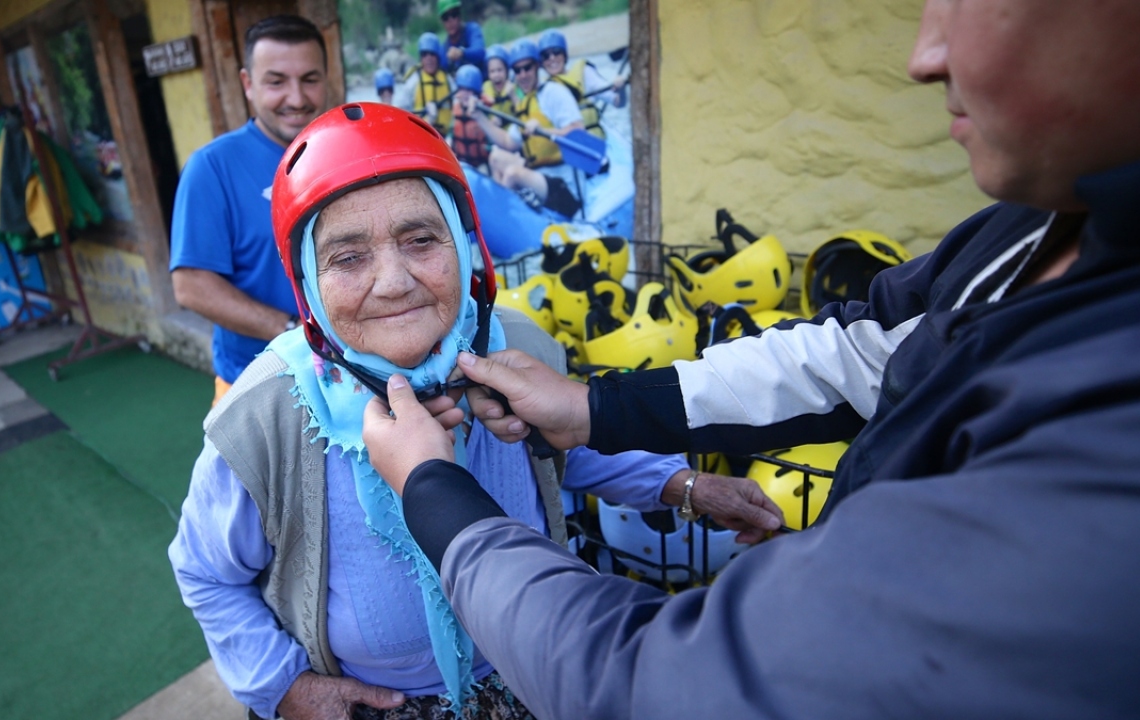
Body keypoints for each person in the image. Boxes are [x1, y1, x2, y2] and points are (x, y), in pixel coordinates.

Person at [361, 1, 1140, 718]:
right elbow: (860, 349)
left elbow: (653, 688)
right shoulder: (1045, 225)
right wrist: (598, 405)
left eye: (421, 238)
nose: (924, 54)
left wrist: (439, 498)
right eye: (349, 256)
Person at [169, 103, 781, 720]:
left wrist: (687, 485)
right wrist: (287, 689)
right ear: (306, 282)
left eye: (421, 240)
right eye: (348, 257)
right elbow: (204, 571)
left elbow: (568, 446)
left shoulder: (514, 347)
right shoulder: (265, 415)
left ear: (467, 249)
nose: (393, 282)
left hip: (526, 665)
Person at [169, 15, 328, 405]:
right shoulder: (212, 167)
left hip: (353, 381)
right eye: (276, 82)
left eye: (310, 79)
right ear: (247, 85)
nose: (296, 98)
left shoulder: (347, 151)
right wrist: (299, 332)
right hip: (257, 386)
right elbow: (191, 286)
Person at [472, 40, 585, 218]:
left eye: (528, 68)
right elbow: (508, 142)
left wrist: (545, 131)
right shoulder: (525, 102)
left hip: (566, 183)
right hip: (541, 174)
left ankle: (503, 220)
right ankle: (502, 218)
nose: (523, 74)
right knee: (496, 157)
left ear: (537, 66)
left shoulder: (553, 93)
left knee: (512, 174)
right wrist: (479, 116)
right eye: (517, 70)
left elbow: (578, 131)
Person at [536, 29, 625, 139]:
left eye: (556, 51)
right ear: (541, 62)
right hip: (565, 147)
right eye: (546, 56)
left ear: (564, 55)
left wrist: (621, 89)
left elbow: (618, 102)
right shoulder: (542, 90)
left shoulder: (584, 73)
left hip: (595, 141)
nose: (552, 58)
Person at [398, 32, 454, 137]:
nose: (429, 59)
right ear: (421, 58)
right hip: (420, 136)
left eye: (432, 54)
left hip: (445, 137)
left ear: (438, 57)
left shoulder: (447, 80)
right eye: (425, 54)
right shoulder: (413, 82)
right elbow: (400, 114)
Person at [449, 64, 490, 171]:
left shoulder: (484, 109)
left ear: (477, 92)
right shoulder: (455, 109)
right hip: (461, 162)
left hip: (481, 163)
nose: (465, 94)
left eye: (469, 90)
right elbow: (450, 134)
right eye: (462, 90)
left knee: (484, 171)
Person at [437, 0, 485, 76]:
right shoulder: (444, 48)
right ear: (442, 21)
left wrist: (462, 53)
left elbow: (480, 51)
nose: (450, 21)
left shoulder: (472, 30)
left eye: (454, 14)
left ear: (460, 15)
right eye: (445, 17)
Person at [480, 45, 516, 119]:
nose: (496, 75)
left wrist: (513, 96)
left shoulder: (514, 87)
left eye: (500, 70)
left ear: (507, 71)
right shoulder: (485, 88)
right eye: (492, 71)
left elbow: (522, 108)